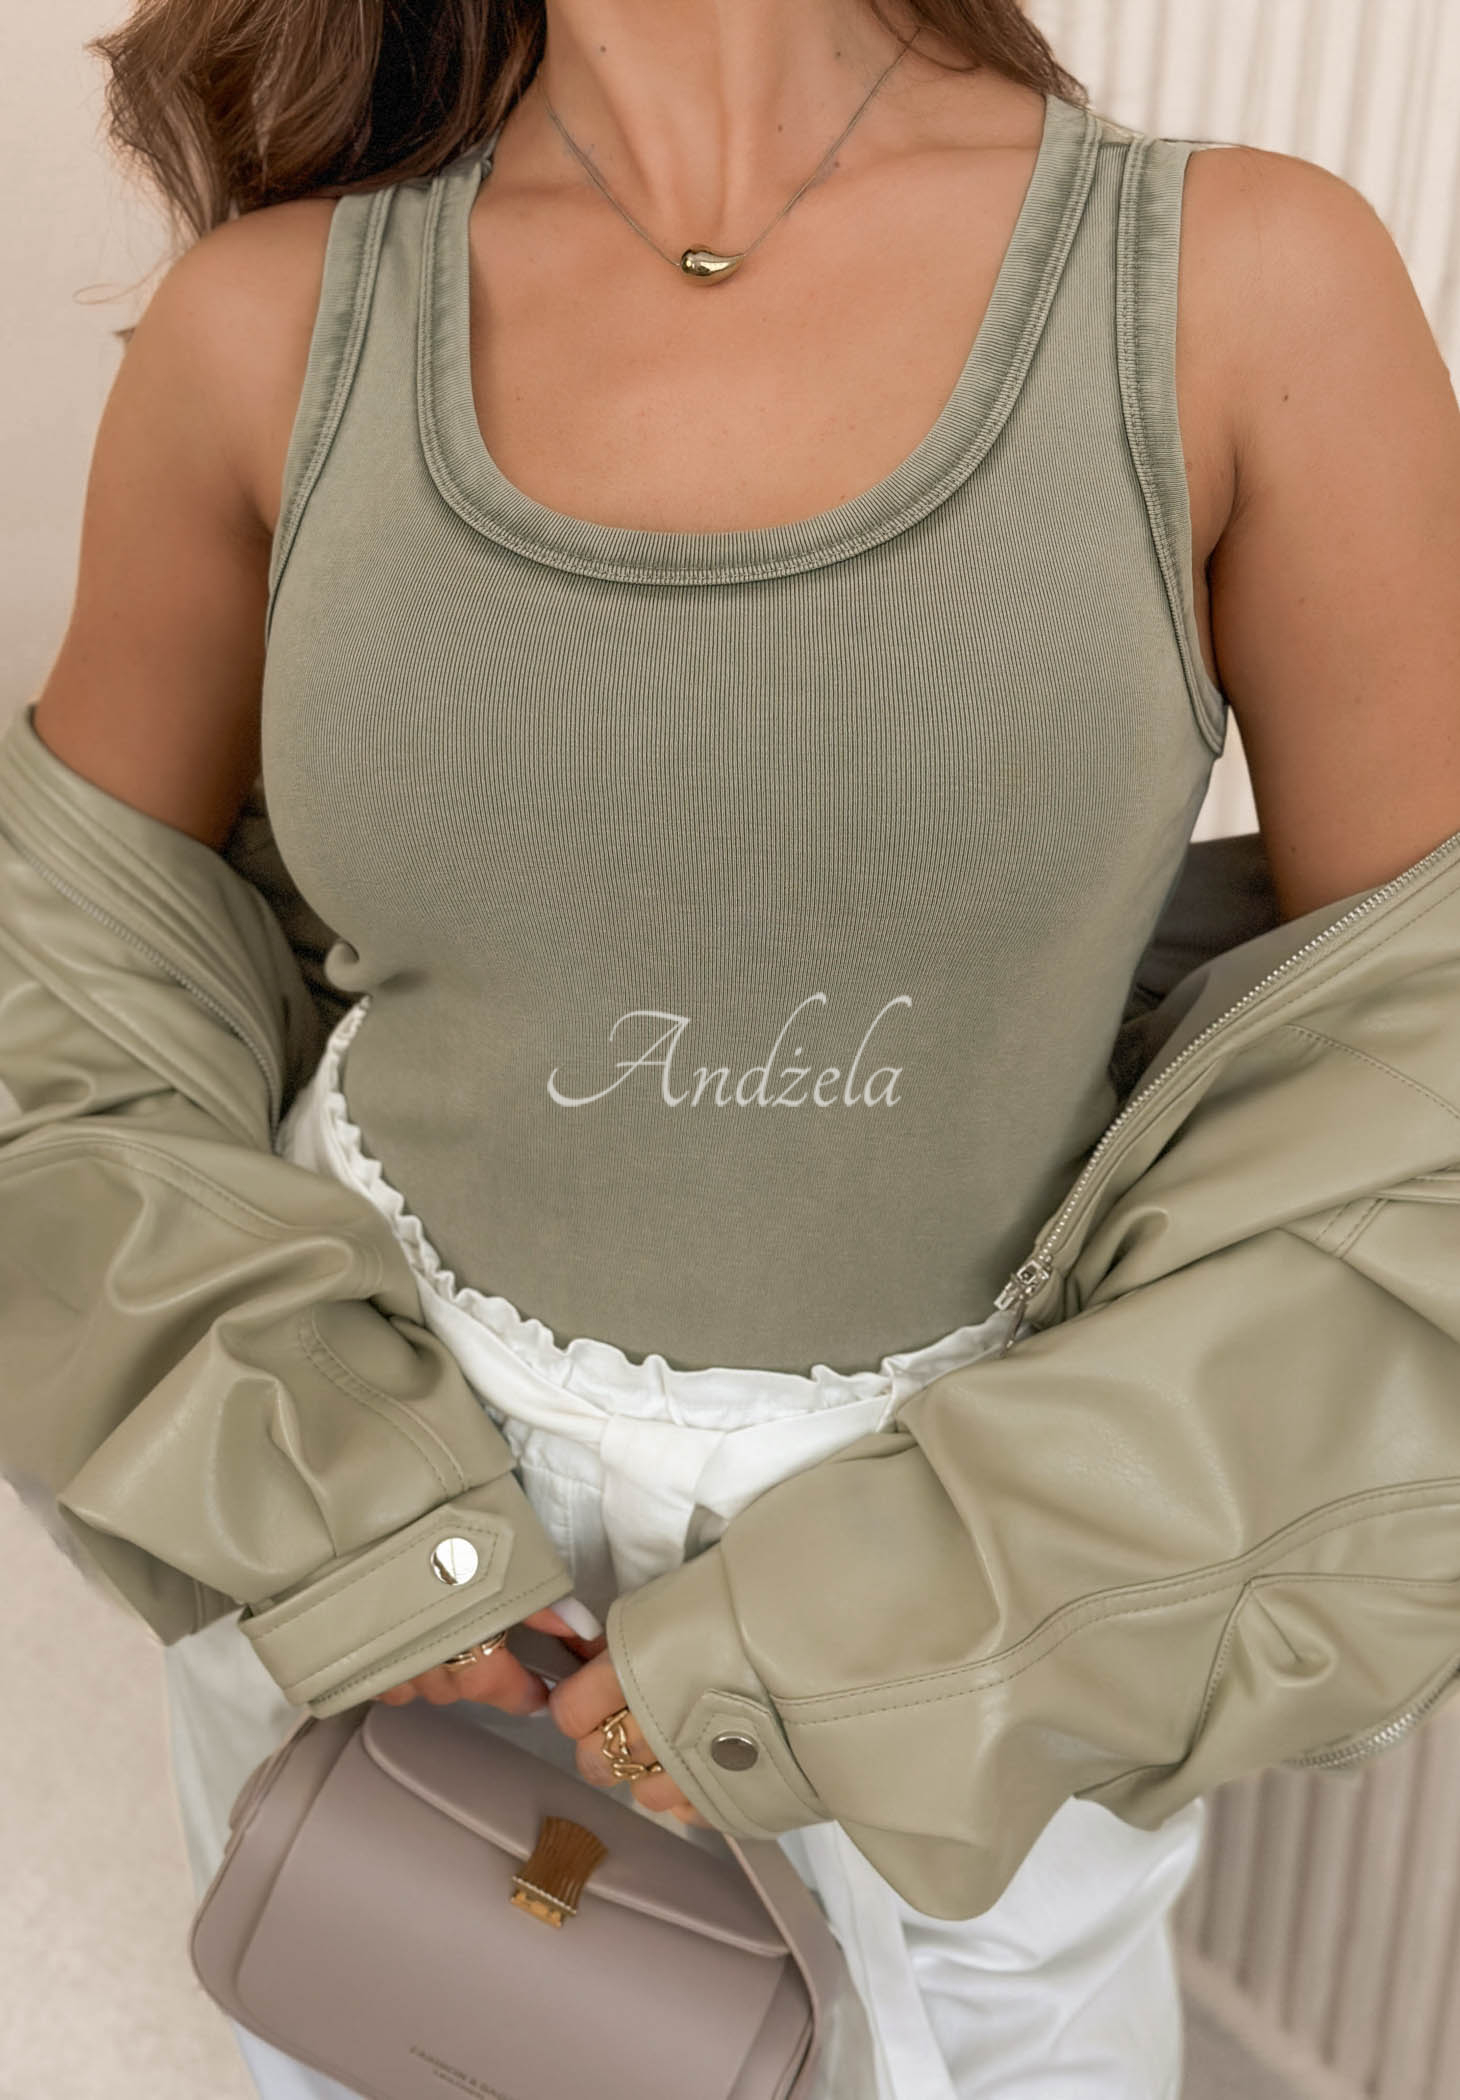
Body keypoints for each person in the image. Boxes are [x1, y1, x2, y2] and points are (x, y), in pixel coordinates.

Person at [19, 0, 1460, 2094]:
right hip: (367, 1494)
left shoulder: (1244, 291)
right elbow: (67, 988)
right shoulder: (266, 326)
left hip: (990, 1577)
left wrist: (893, 1634)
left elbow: (1419, 1083)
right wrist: (354, 1529)